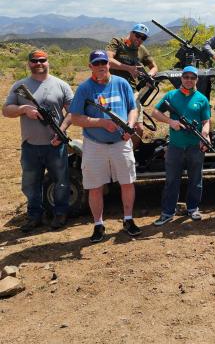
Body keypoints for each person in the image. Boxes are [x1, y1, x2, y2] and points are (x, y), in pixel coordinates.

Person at [69, 50, 141, 243]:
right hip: (95, 144)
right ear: (90, 66)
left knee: (127, 182)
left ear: (108, 64)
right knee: (95, 186)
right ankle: (98, 224)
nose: (101, 66)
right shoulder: (84, 89)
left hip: (121, 142)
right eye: (96, 63)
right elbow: (75, 118)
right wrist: (100, 123)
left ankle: (128, 220)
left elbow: (133, 108)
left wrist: (130, 125)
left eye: (104, 62)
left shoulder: (122, 83)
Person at [3, 50, 73, 232]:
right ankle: (34, 216)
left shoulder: (61, 85)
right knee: (30, 183)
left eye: (42, 60)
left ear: (48, 62)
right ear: (29, 64)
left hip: (55, 145)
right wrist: (24, 109)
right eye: (34, 61)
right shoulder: (20, 85)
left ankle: (60, 214)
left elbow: (73, 111)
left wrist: (62, 131)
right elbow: (6, 110)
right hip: (30, 146)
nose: (38, 63)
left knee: (61, 182)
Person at [152, 65, 211, 226]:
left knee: (196, 179)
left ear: (196, 80)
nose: (189, 80)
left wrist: (205, 135)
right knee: (171, 180)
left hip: (195, 146)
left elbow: (206, 122)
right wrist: (171, 122)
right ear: (181, 78)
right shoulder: (171, 95)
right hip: (175, 146)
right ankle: (167, 213)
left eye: (193, 78)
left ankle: (193, 209)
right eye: (186, 77)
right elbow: (155, 112)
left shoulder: (202, 99)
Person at [106, 23, 158, 139]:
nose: (139, 39)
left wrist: (148, 76)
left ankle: (131, 155)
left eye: (143, 38)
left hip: (132, 91)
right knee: (114, 125)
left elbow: (154, 67)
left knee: (138, 129)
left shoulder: (142, 50)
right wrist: (128, 68)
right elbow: (108, 60)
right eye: (138, 35)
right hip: (113, 89)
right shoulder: (118, 42)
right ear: (131, 33)